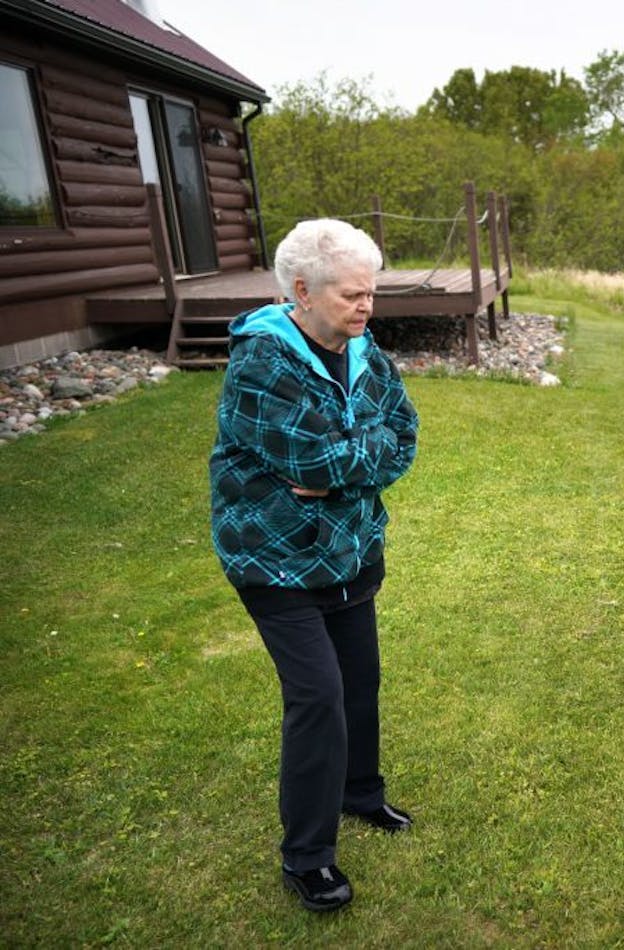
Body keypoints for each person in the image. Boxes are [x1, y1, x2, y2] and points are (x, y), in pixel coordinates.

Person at [210, 218, 419, 911]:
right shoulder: (261, 363)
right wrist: (352, 458)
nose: (367, 307)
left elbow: (404, 436)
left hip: (350, 551)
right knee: (318, 699)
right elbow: (311, 460)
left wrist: (343, 468)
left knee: (360, 683)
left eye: (371, 294)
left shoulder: (364, 349)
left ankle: (361, 795)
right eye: (353, 295)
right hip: (275, 562)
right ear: (302, 291)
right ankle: (307, 856)